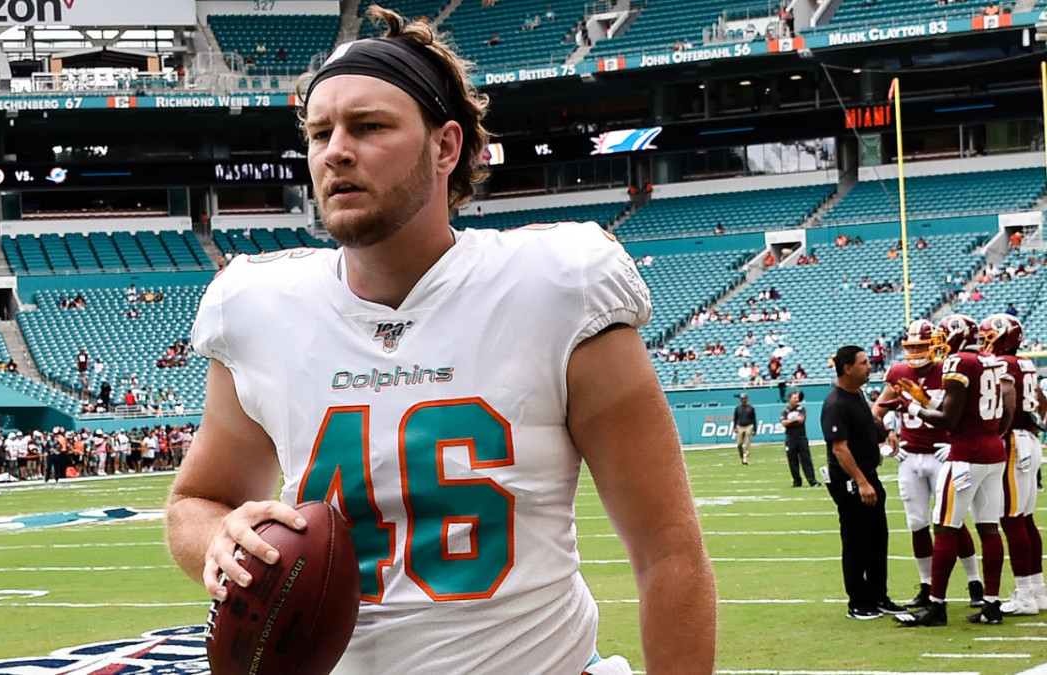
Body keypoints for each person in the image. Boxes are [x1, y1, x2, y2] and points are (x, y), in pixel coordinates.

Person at [164, 8, 715, 674]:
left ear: (445, 147)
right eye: (319, 132)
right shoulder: (256, 305)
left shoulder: (558, 286)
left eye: (369, 126)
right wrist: (217, 539)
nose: (335, 149)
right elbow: (195, 501)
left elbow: (669, 552)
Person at [892, 314, 1015, 626]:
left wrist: (914, 407)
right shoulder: (990, 360)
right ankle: (991, 604)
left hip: (966, 454)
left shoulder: (958, 362)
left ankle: (936, 605)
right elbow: (1001, 410)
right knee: (989, 527)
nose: (938, 343)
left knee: (945, 526)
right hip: (992, 451)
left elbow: (948, 419)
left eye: (941, 336)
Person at [872, 320, 985, 610]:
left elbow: (963, 412)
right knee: (917, 524)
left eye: (921, 346)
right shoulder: (898, 372)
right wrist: (889, 433)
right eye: (910, 347)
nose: (916, 352)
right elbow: (879, 408)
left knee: (951, 521)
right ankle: (926, 586)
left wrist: (956, 442)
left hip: (942, 454)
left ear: (935, 344)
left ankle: (974, 581)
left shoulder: (949, 368)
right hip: (909, 455)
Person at [823, 345, 903, 619]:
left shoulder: (855, 395)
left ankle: (878, 595)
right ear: (847, 368)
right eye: (864, 363)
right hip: (850, 481)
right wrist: (861, 482)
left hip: (868, 474)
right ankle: (857, 601)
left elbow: (869, 422)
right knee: (856, 540)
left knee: (878, 538)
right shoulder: (836, 403)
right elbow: (840, 448)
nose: (870, 367)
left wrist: (887, 432)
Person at [977, 314, 1047, 614]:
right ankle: (1037, 591)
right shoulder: (1026, 364)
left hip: (1014, 442)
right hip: (1029, 439)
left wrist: (999, 432)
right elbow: (1043, 404)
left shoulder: (1003, 365)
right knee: (1025, 518)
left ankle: (1025, 596)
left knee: (1011, 519)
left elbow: (1007, 399)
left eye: (989, 337)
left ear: (1004, 337)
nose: (984, 343)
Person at [781, 391, 818, 487]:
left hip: (801, 438)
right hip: (790, 439)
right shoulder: (785, 410)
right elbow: (783, 422)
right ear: (789, 399)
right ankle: (797, 481)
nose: (796, 400)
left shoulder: (801, 409)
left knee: (806, 460)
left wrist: (790, 422)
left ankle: (812, 480)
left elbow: (801, 420)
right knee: (792, 461)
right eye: (794, 398)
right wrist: (793, 421)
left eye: (797, 398)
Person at [733, 393, 756, 465]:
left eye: (744, 398)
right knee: (739, 444)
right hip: (740, 426)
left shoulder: (751, 408)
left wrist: (755, 429)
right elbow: (735, 418)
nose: (743, 400)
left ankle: (745, 457)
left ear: (746, 399)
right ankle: (742, 456)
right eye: (741, 399)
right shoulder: (738, 408)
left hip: (748, 426)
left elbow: (754, 419)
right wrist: (734, 427)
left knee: (747, 443)